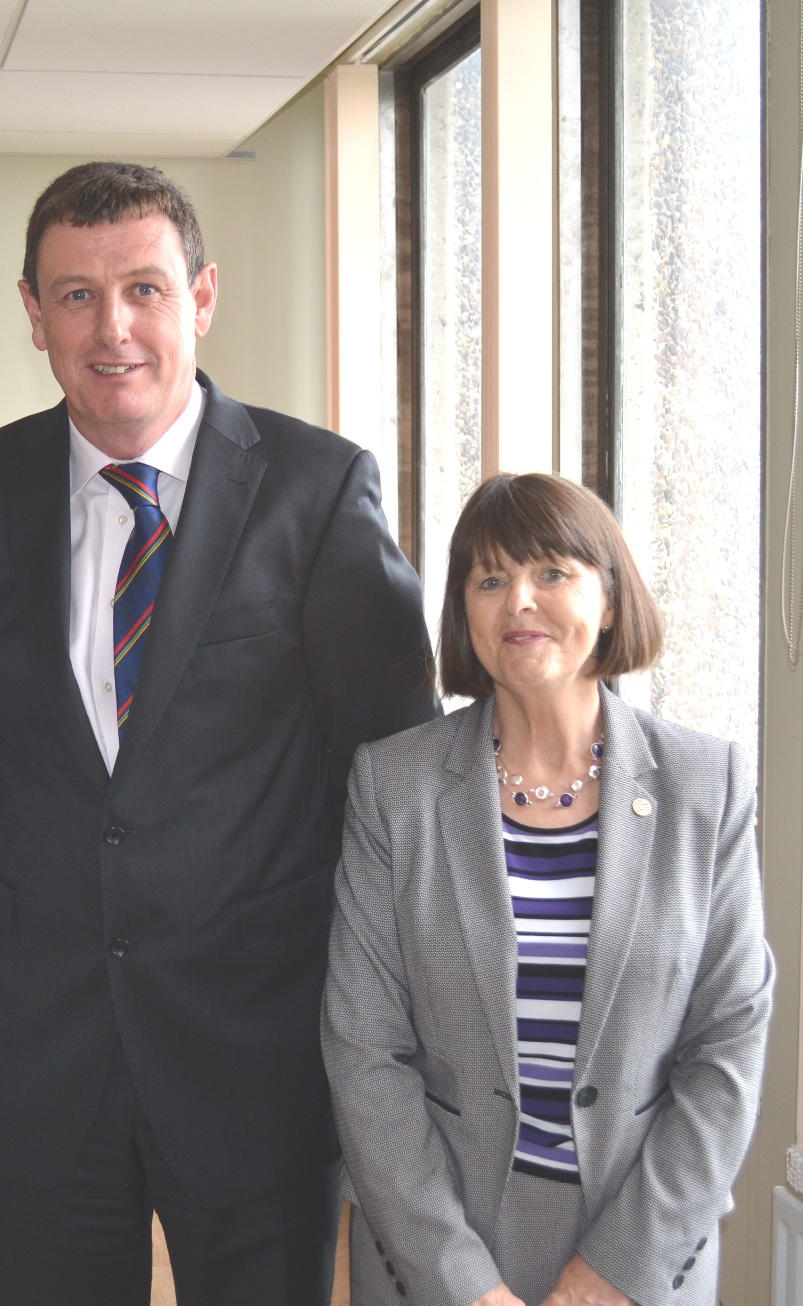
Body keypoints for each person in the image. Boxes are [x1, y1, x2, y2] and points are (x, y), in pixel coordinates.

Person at [0, 160, 438, 1306]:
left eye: (142, 288)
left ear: (199, 297)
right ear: (33, 313)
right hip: (43, 1050)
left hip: (258, 1044)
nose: (114, 328)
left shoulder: (316, 486)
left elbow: (390, 764)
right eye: (77, 295)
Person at [322, 472, 774, 1306]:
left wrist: (612, 1274)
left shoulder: (705, 785)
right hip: (434, 1251)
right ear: (464, 611)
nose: (517, 600)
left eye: (551, 572)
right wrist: (461, 1283)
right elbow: (364, 1049)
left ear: (608, 599)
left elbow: (728, 1047)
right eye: (488, 579)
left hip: (639, 1252)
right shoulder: (394, 787)